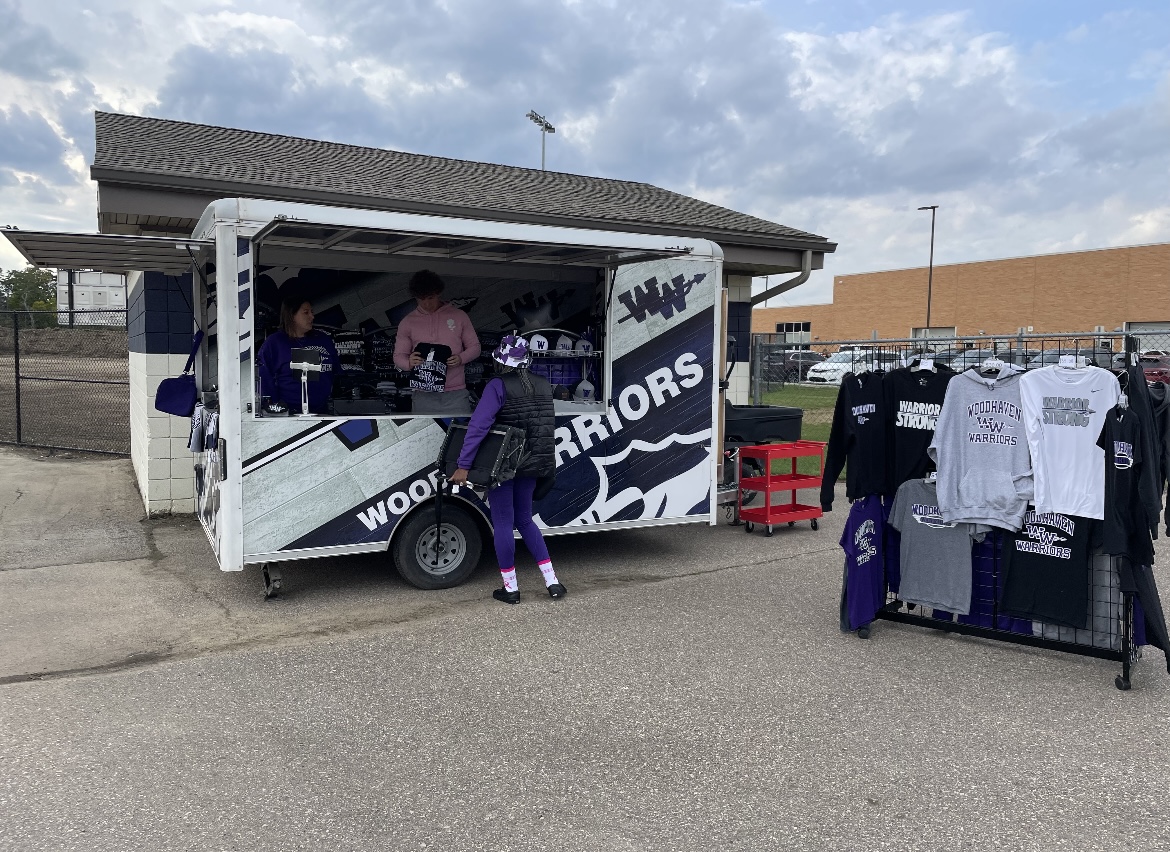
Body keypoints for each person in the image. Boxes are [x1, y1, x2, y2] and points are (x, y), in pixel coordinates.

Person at [450, 334, 565, 604]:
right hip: (535, 464)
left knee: (503, 523)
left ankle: (511, 589)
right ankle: (553, 582)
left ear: (499, 361)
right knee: (525, 520)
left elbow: (478, 427)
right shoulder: (542, 384)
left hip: (505, 467)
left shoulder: (497, 386)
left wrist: (463, 465)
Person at [393, 269, 481, 415]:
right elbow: (398, 356)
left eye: (430, 297)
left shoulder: (458, 316)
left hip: (455, 393)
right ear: (415, 297)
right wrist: (409, 362)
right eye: (421, 299)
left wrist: (461, 358)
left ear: (438, 293)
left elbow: (475, 347)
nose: (426, 303)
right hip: (423, 394)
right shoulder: (407, 322)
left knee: (460, 435)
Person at [257, 295, 341, 415]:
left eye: (312, 312)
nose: (312, 316)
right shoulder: (274, 343)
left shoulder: (323, 339)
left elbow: (337, 373)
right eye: (306, 313)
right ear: (291, 315)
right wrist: (274, 408)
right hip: (287, 414)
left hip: (324, 412)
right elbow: (264, 378)